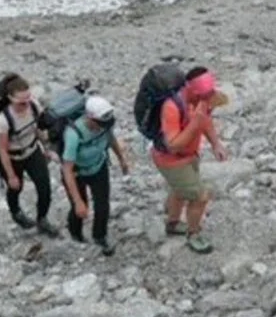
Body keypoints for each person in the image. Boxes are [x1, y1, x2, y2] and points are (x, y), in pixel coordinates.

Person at [150, 67, 229, 254]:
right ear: (192, 91)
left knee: (180, 191)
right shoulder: (171, 107)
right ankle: (193, 234)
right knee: (200, 197)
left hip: (190, 156)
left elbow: (206, 121)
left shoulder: (200, 101)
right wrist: (194, 125)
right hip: (172, 160)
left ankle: (173, 223)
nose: (207, 99)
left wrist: (216, 144)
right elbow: (174, 145)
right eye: (204, 95)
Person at [61, 96, 131, 256]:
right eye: (99, 124)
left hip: (99, 166)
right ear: (90, 118)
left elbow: (111, 139)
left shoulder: (105, 125)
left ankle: (100, 235)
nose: (102, 128)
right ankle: (76, 233)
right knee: (79, 206)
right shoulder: (73, 134)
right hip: (77, 172)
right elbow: (67, 169)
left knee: (102, 204)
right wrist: (78, 201)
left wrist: (121, 159)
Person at [0, 76, 58, 237]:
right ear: (10, 98)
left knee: (44, 188)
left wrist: (46, 147)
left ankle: (42, 219)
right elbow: (2, 149)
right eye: (21, 102)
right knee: (16, 187)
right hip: (13, 157)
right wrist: (11, 176)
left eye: (28, 99)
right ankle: (16, 212)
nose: (26, 104)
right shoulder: (3, 121)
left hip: (32, 151)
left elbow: (36, 127)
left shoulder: (33, 106)